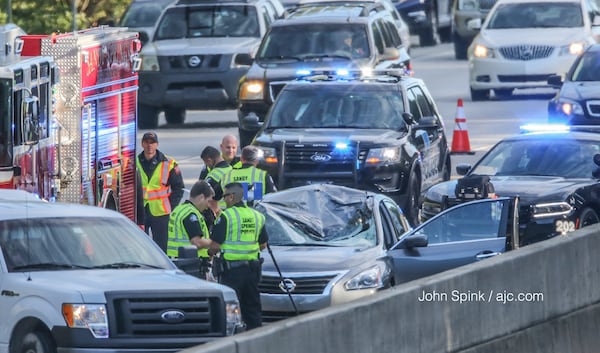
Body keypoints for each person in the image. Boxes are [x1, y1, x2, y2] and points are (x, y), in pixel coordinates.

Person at [209, 182, 268, 330]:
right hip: (253, 271)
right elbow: (263, 245)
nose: (223, 200)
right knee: (252, 308)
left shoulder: (227, 216)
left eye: (225, 196)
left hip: (231, 272)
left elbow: (215, 245)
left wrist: (209, 254)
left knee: (230, 308)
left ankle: (232, 337)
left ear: (232, 197)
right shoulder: (257, 216)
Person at [136, 131, 184, 253]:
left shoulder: (169, 163)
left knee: (161, 248)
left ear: (157, 144)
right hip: (140, 211)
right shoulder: (134, 162)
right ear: (142, 144)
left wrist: (170, 206)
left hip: (161, 213)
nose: (149, 146)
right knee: (141, 247)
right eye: (146, 142)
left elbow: (178, 188)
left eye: (152, 143)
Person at [167, 180, 214, 279]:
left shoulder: (179, 210)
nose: (209, 205)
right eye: (208, 201)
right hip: (190, 266)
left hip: (179, 263)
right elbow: (197, 242)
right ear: (201, 197)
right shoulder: (190, 214)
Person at [200, 145, 232, 226]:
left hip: (218, 214)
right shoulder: (231, 169)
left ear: (209, 160)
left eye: (206, 163)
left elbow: (203, 196)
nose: (207, 166)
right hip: (232, 212)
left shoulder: (214, 175)